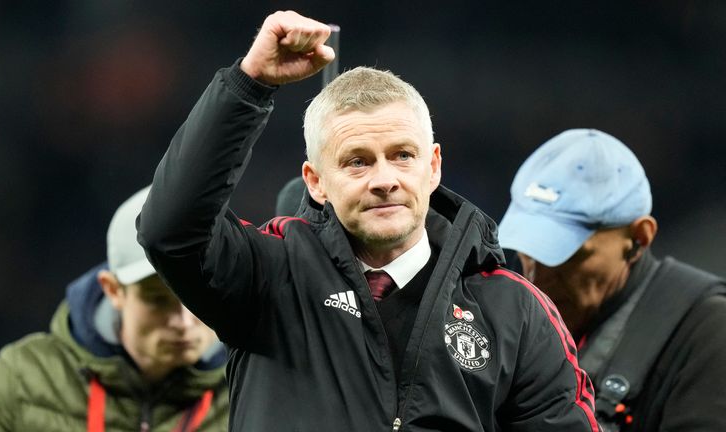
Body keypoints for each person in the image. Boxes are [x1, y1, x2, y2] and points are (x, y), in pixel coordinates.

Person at [138, 10, 599, 431]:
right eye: (357, 162)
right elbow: (171, 232)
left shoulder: (512, 311)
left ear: (434, 166)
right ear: (316, 181)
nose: (384, 179)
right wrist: (249, 84)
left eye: (402, 155)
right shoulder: (270, 277)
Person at [497, 128, 726, 431]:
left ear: (639, 238)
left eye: (565, 255)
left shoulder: (708, 333)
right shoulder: (514, 327)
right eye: (529, 251)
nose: (537, 280)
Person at [0, 187, 229, 431]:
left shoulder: (249, 389)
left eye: (197, 297)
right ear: (113, 290)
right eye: (158, 300)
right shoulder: (22, 380)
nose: (184, 321)